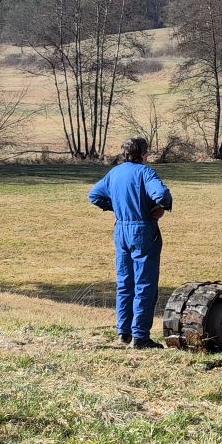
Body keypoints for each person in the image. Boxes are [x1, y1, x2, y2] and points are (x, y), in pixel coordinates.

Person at [88, 136, 172, 347]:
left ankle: (123, 332)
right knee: (145, 283)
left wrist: (116, 207)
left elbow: (94, 196)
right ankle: (140, 336)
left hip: (121, 229)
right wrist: (160, 207)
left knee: (125, 283)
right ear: (143, 154)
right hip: (143, 229)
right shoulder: (145, 172)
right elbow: (161, 195)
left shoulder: (114, 173)